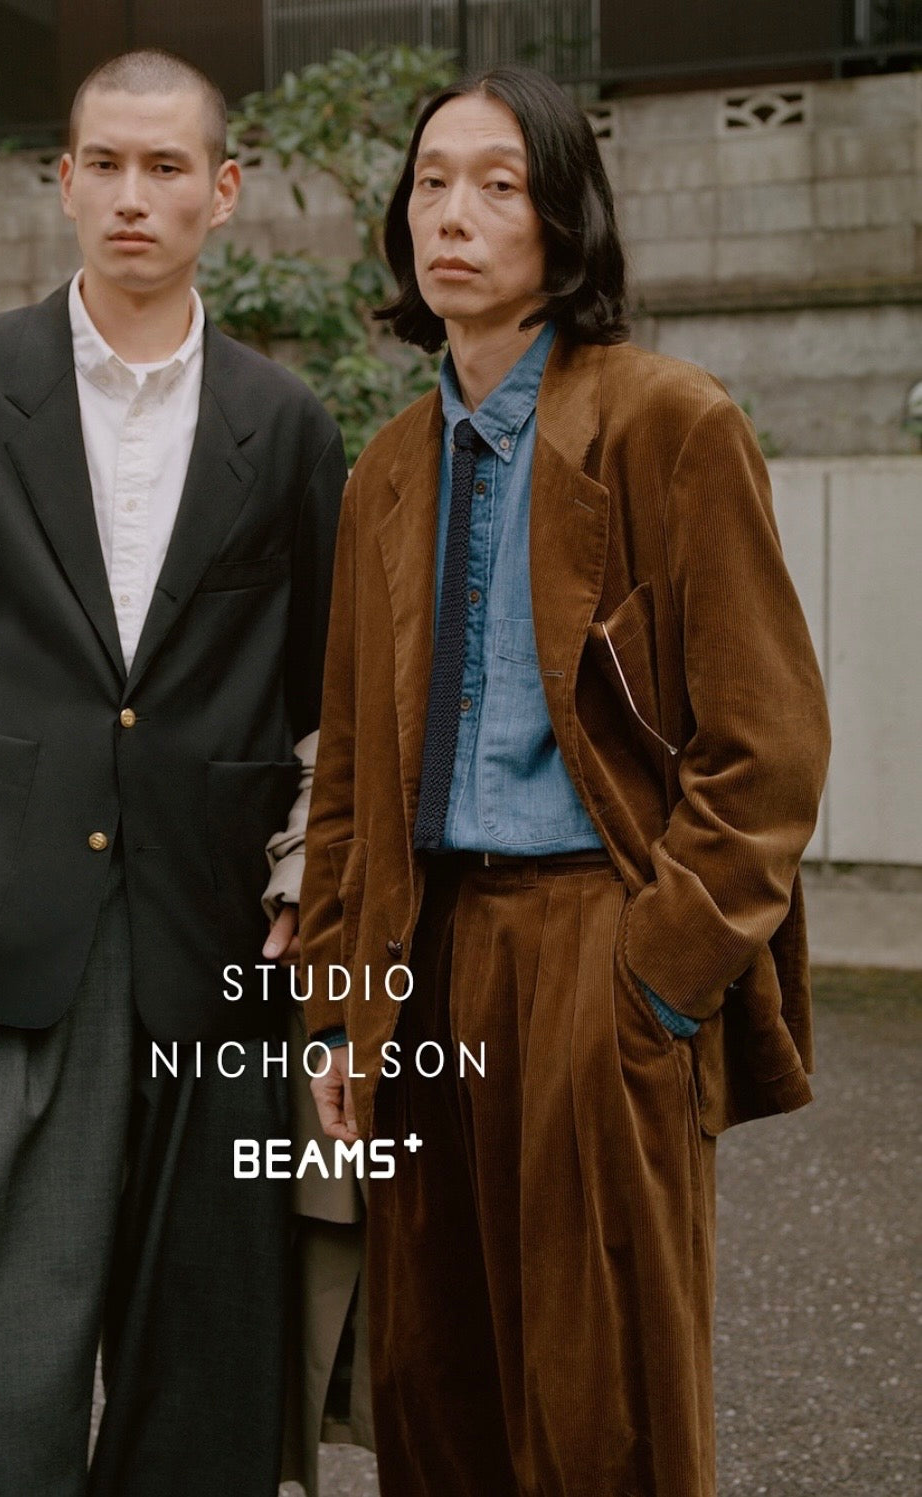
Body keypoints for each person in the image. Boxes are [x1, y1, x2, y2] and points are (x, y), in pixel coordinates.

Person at [299, 64, 830, 1497]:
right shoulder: (387, 470)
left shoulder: (671, 423)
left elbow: (768, 748)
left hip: (599, 943)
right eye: (429, 183)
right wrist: (340, 1007)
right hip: (424, 956)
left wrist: (657, 981)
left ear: (564, 219)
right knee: (435, 1388)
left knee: (606, 1403)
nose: (452, 215)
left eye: (498, 184)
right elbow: (349, 776)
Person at [0, 48, 345, 1497]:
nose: (134, 195)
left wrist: (312, 889)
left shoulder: (289, 427)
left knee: (209, 1344)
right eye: (106, 165)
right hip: (3, 922)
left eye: (166, 166)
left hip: (215, 935)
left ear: (222, 192)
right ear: (63, 182)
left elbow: (323, 696)